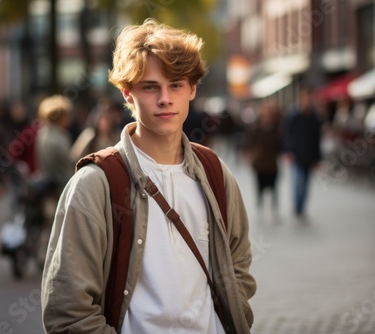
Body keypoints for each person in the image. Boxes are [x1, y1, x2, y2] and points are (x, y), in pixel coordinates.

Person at [41, 19, 256, 334]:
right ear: (127, 94)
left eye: (176, 85)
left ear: (192, 89)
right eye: (150, 86)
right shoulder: (95, 184)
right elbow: (68, 309)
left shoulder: (214, 172)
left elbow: (238, 263)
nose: (165, 98)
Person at [283, 87, 323, 217]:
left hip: (309, 156)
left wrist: (317, 159)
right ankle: (297, 206)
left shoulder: (314, 118)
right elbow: (287, 134)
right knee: (297, 181)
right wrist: (289, 151)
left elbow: (317, 139)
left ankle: (301, 207)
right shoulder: (293, 115)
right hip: (296, 155)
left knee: (305, 183)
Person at [244, 100, 282, 210]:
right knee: (259, 185)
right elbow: (249, 142)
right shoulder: (256, 127)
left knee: (273, 186)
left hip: (272, 162)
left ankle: (274, 208)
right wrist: (248, 154)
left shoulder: (276, 128)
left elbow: (279, 144)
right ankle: (260, 205)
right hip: (259, 162)